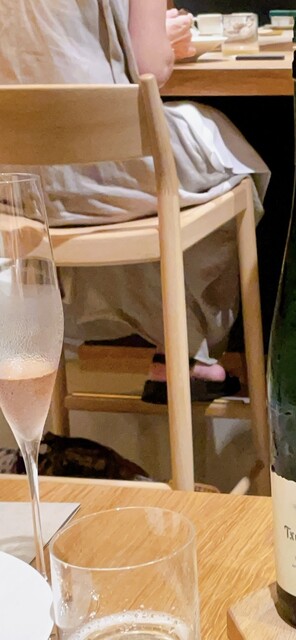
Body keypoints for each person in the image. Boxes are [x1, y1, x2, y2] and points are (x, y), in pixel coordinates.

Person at [0, 0, 270, 403]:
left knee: (138, 196)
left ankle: (174, 351)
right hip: (107, 171)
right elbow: (151, 68)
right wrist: (161, 39)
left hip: (20, 187)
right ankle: (186, 347)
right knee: (231, 161)